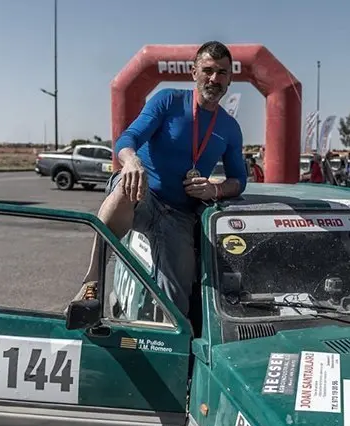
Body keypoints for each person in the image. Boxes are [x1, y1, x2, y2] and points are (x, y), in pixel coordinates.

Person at [75, 41, 247, 316]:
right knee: (126, 186)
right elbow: (127, 139)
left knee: (176, 306)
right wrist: (131, 161)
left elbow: (239, 179)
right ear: (194, 73)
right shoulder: (168, 100)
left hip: (178, 215)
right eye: (208, 70)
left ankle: (168, 342)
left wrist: (214, 189)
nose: (214, 78)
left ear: (230, 78)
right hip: (143, 195)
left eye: (222, 72)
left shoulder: (230, 128)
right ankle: (92, 281)